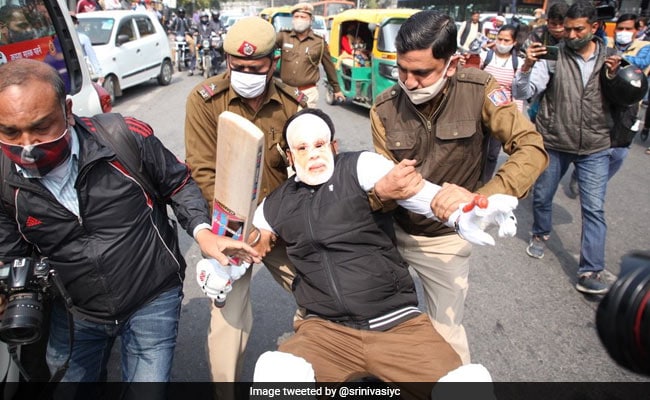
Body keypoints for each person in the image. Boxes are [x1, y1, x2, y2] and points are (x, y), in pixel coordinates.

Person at [0, 59, 260, 387]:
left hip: (152, 299)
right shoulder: (3, 180)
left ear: (67, 111)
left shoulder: (124, 137)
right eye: (10, 132)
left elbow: (178, 184)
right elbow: (12, 253)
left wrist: (202, 231)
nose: (27, 146)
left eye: (41, 127)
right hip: (75, 313)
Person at [250, 108, 518, 394]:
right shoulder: (275, 204)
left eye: (319, 144)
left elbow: (418, 193)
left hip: (398, 327)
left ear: (334, 146)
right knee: (276, 376)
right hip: (325, 333)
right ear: (290, 157)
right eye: (302, 148)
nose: (313, 154)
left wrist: (462, 214)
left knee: (465, 387)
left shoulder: (360, 167)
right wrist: (225, 265)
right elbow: (251, 244)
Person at [370, 10, 548, 365]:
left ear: (451, 65)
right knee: (376, 328)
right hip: (392, 232)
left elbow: (531, 147)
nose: (409, 82)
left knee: (446, 338)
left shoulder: (479, 90)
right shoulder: (383, 108)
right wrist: (382, 191)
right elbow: (381, 181)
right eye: (402, 70)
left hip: (445, 240)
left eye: (422, 72)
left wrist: (479, 199)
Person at [184, 16, 307, 384]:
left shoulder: (292, 105)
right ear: (227, 60)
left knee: (319, 294)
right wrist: (243, 230)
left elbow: (303, 176)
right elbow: (203, 171)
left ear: (273, 63)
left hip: (280, 226)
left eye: (255, 68)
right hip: (229, 228)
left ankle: (315, 365)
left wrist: (267, 228)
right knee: (228, 318)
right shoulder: (205, 101)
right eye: (238, 67)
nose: (245, 74)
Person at [513, 1, 623, 295]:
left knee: (594, 208)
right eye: (568, 29)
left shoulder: (612, 58)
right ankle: (540, 233)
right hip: (554, 141)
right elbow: (522, 92)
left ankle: (590, 270)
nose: (571, 35)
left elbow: (628, 97)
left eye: (579, 29)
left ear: (594, 27)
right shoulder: (552, 56)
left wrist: (617, 78)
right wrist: (526, 67)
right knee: (542, 196)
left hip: (595, 145)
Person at [479, 24, 525, 182]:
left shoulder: (518, 63)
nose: (502, 43)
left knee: (492, 154)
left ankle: (485, 183)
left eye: (506, 40)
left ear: (514, 42)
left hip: (501, 115)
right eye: (500, 39)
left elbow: (517, 94)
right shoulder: (485, 57)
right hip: (480, 111)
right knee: (474, 149)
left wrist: (515, 118)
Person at [275, 3, 344, 108]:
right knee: (284, 118)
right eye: (296, 16)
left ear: (311, 20)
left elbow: (329, 67)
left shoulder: (319, 42)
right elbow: (266, 49)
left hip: (307, 93)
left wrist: (337, 90)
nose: (299, 19)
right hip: (285, 90)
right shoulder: (283, 36)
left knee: (303, 117)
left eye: (303, 17)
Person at [522, 1, 569, 121]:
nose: (557, 28)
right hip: (540, 78)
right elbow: (523, 54)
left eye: (561, 24)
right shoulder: (538, 34)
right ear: (547, 22)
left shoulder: (572, 35)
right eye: (553, 24)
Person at [70, 12, 104, 85]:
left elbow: (92, 56)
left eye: (73, 21)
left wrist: (99, 73)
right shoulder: (58, 39)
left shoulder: (83, 38)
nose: (72, 23)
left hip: (82, 70)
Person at [168, 7, 196, 76]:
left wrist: (191, 31)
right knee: (173, 47)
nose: (181, 14)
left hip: (186, 35)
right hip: (178, 35)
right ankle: (173, 61)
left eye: (182, 13)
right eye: (180, 13)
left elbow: (192, 26)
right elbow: (171, 26)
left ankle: (193, 55)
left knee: (192, 43)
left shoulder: (187, 19)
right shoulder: (176, 20)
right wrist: (170, 30)